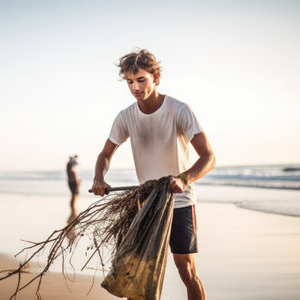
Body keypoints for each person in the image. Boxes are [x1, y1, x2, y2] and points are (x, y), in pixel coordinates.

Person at [90, 49, 216, 300]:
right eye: (129, 82)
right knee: (137, 273)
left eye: (141, 80)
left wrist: (183, 178)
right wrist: (98, 179)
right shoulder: (126, 117)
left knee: (186, 270)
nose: (135, 87)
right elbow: (105, 155)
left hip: (179, 202)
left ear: (155, 77)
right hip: (146, 203)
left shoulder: (179, 110)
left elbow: (208, 158)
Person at [66, 155, 81, 221]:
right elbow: (74, 172)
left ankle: (73, 210)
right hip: (74, 181)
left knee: (73, 196)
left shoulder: (68, 165)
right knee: (75, 195)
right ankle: (74, 211)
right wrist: (77, 181)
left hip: (70, 181)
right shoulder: (72, 165)